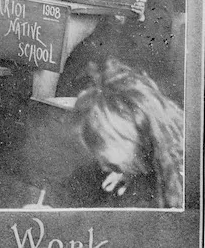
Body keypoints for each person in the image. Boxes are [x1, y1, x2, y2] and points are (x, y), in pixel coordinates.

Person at [68, 57, 183, 208]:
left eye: (110, 163)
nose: (103, 166)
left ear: (134, 135)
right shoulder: (155, 153)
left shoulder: (182, 184)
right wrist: (128, 172)